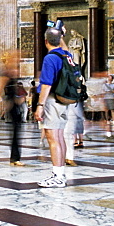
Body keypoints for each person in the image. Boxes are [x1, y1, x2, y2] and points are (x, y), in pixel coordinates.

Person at [35, 27, 72, 188]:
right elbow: (65, 47)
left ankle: (57, 176)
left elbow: (46, 84)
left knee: (52, 138)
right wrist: (60, 33)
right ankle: (60, 173)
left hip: (52, 99)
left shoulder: (50, 58)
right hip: (64, 100)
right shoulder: (66, 55)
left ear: (45, 41)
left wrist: (40, 106)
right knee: (59, 136)